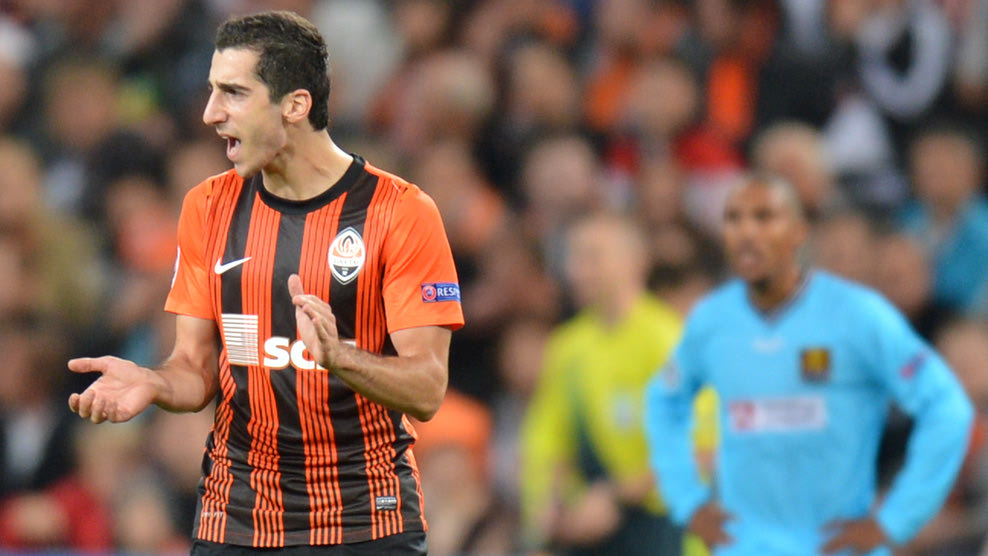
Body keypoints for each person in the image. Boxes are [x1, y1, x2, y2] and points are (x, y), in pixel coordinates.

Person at [66, 10, 463, 556]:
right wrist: (154, 383)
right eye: (212, 91)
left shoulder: (400, 212)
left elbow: (428, 389)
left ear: (295, 105)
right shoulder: (207, 207)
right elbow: (195, 369)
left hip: (365, 521)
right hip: (236, 520)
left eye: (233, 93)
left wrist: (340, 359)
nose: (210, 113)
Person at [644, 174, 973, 555]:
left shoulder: (860, 316)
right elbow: (663, 401)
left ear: (799, 232)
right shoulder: (712, 319)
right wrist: (688, 502)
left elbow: (948, 408)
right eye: (734, 219)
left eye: (764, 218)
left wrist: (896, 519)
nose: (747, 233)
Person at [520, 212, 715, 556]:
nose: (576, 271)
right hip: (592, 532)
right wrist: (547, 511)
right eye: (572, 258)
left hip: (664, 531)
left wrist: (617, 497)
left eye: (592, 257)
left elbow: (700, 447)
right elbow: (546, 442)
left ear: (634, 262)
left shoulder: (667, 341)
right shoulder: (567, 348)